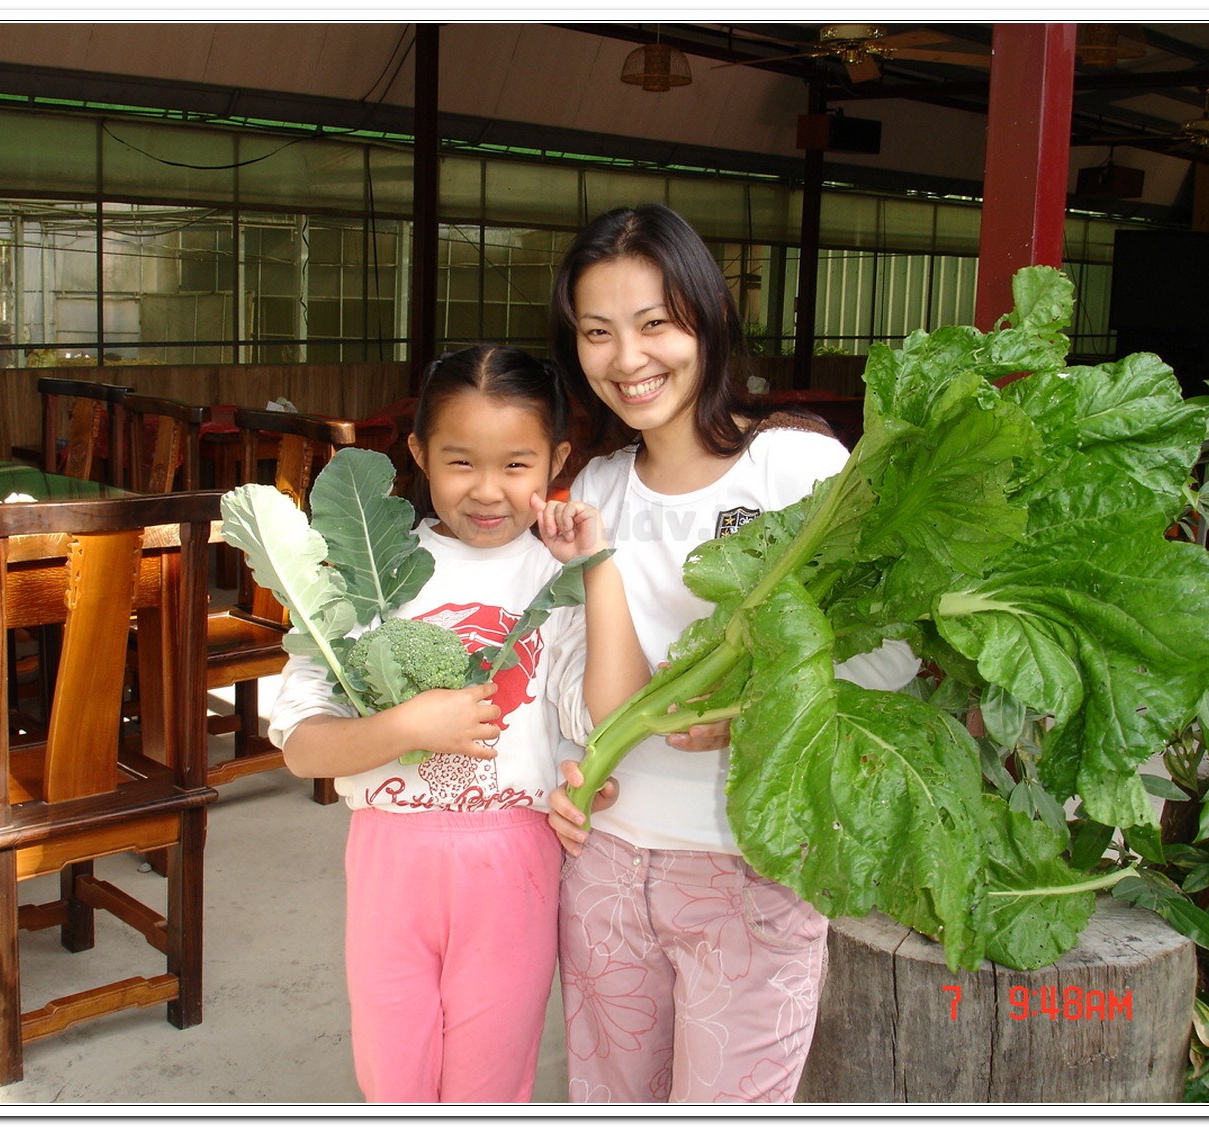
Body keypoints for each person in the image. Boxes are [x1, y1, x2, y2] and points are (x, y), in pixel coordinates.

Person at [544, 204, 920, 1104]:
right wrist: (564, 771)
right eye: (597, 333)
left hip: (747, 868)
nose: (627, 359)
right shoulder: (593, 487)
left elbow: (889, 652)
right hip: (603, 862)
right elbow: (561, 668)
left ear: (706, 321)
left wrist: (750, 713)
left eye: (654, 324)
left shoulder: (790, 469)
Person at [265, 344, 640, 1103]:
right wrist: (407, 724)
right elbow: (304, 747)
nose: (488, 491)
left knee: (490, 1082)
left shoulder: (555, 577)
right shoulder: (365, 574)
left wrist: (594, 567)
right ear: (417, 453)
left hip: (516, 866)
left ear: (557, 460)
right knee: (392, 1071)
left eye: (516, 464)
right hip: (388, 865)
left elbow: (599, 712)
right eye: (461, 462)